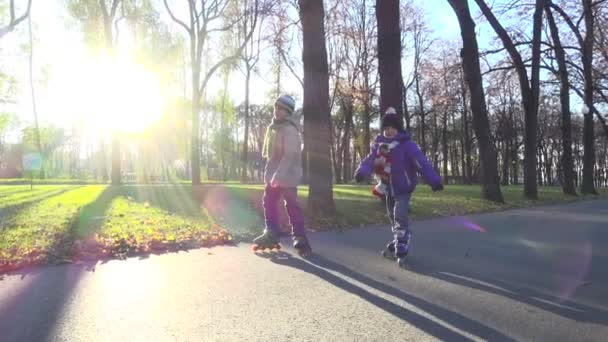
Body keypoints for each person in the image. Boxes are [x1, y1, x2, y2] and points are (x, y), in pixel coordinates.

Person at [355, 107, 443, 265]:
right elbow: (369, 160)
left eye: (392, 128)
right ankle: (399, 237)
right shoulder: (379, 145)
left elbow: (421, 163)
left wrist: (434, 180)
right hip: (388, 187)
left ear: (398, 129)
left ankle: (403, 239)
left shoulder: (407, 145)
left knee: (399, 213)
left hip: (404, 187)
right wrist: (362, 172)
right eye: (386, 128)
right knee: (391, 216)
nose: (389, 131)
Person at [252, 95, 311, 256]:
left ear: (288, 112)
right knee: (268, 200)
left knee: (291, 205)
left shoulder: (290, 130)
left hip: (288, 174)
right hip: (276, 175)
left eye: (280, 109)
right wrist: (269, 174)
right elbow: (272, 157)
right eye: (275, 108)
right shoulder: (275, 128)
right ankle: (271, 231)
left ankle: (300, 237)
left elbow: (289, 156)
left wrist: (278, 175)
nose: (276, 111)